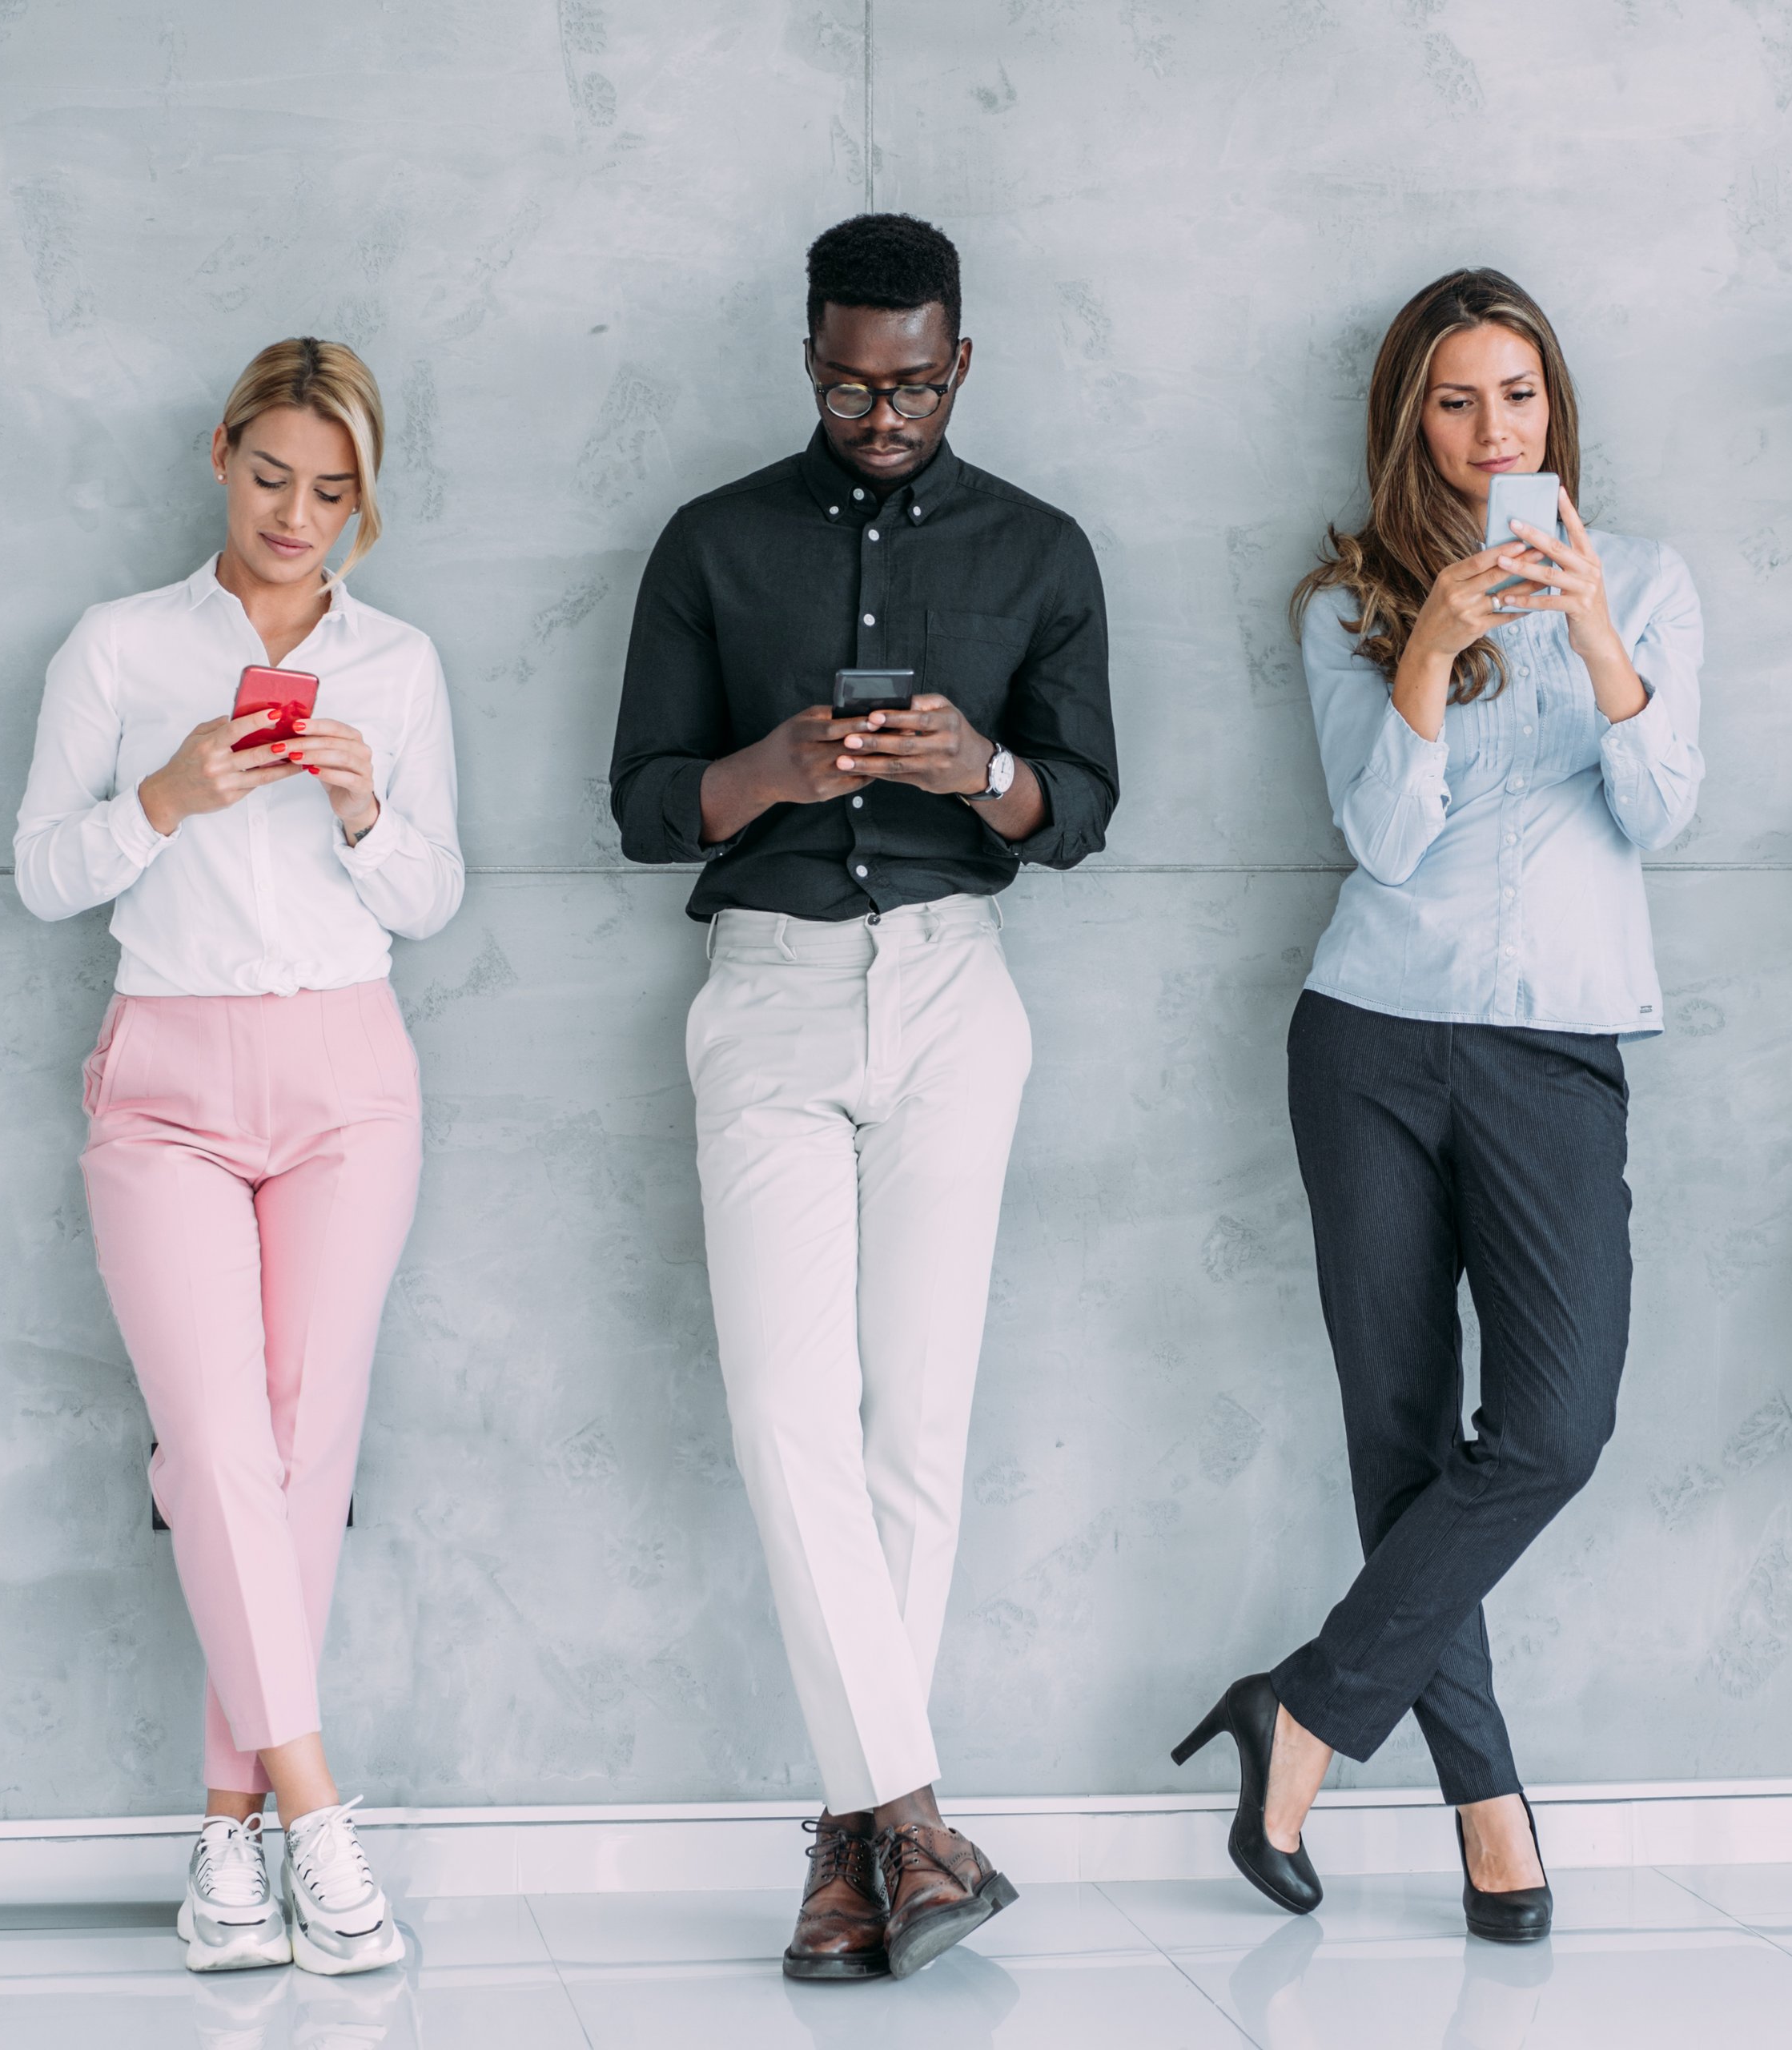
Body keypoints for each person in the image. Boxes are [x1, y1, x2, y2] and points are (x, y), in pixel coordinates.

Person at [608, 213, 1119, 1981]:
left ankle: (853, 1854)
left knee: (919, 1427)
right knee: (785, 1414)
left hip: (957, 992)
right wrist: (773, 766)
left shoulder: (1041, 548)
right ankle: (912, 1820)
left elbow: (1082, 808)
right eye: (846, 384)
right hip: (769, 990)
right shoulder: (713, 540)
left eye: (910, 385)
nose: (880, 415)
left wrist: (978, 767)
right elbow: (645, 803)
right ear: (809, 357)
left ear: (958, 360)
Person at [1174, 267, 1703, 1943]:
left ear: (1557, 409)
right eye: (1457, 402)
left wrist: (1595, 629)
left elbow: (1664, 808)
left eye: (1519, 397)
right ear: (1412, 421)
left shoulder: (1653, 582)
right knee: (1401, 1439)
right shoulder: (1349, 601)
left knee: (1551, 1429)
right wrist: (1431, 644)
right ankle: (1486, 1802)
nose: (1494, 434)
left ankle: (1306, 1708)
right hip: (1373, 1040)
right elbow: (1383, 838)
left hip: (1555, 1048)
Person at [13, 336, 460, 1978]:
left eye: (333, 492)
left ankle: (227, 1839)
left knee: (299, 1456)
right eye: (272, 476)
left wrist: (362, 811)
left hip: (349, 1077)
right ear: (220, 455)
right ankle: (315, 1817)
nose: (296, 516)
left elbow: (435, 896)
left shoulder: (397, 663)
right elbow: (42, 873)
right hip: (168, 1078)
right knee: (210, 1447)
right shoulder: (119, 644)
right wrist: (167, 793)